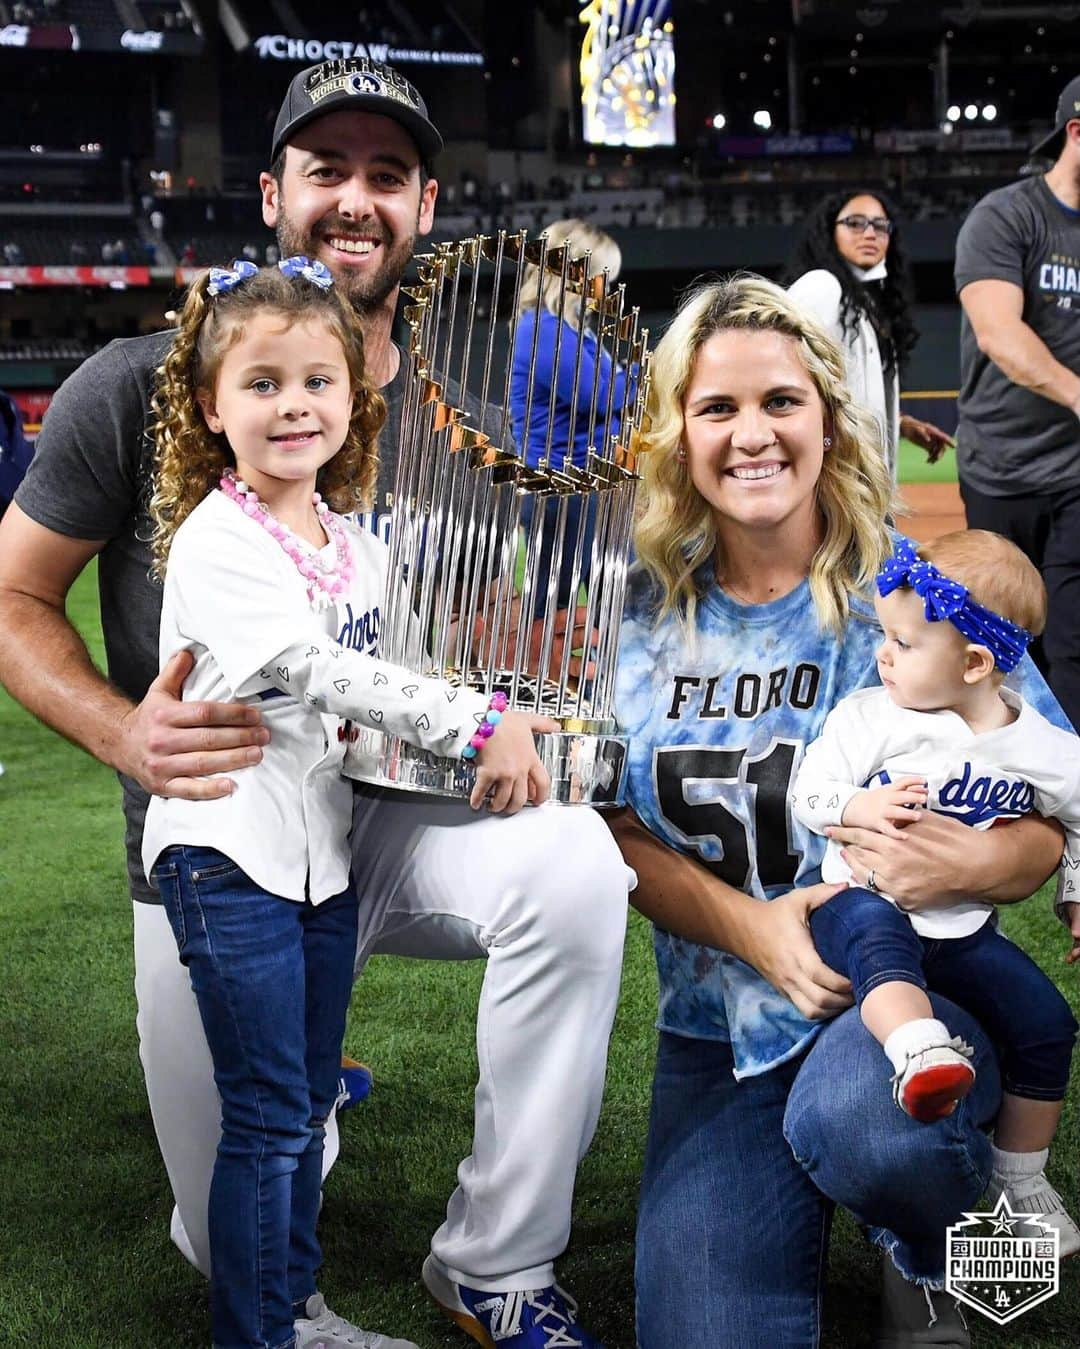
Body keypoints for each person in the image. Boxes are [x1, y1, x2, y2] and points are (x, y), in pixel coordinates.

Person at [0, 57, 629, 1349]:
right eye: (326, 169)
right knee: (220, 1207)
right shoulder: (140, 381)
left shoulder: (467, 406)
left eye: (384, 176)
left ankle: (496, 1261)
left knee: (574, 861)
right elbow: (14, 594)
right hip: (222, 836)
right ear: (274, 189)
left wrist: (530, 659)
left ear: (425, 201)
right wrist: (120, 731)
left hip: (386, 826)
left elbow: (470, 634)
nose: (356, 199)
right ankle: (295, 1134)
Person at [607, 274, 1070, 1348]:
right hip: (718, 1022)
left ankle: (931, 1249)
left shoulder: (915, 590)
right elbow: (612, 830)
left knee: (868, 1124)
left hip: (906, 994)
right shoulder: (632, 611)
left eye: (780, 400)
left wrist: (959, 867)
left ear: (827, 414)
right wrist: (754, 929)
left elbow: (1044, 813)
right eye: (717, 407)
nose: (752, 433)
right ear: (678, 430)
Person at [145, 257, 551, 1349]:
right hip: (227, 851)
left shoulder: (352, 543)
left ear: (351, 398)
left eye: (318, 380)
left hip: (318, 851)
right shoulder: (218, 540)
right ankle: (260, 1333)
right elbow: (319, 672)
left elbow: (394, 684)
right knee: (272, 1115)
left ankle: (300, 1312)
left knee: (304, 1104)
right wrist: (473, 722)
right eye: (263, 382)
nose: (294, 405)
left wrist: (507, 713)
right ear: (209, 404)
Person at [790, 529, 1080, 1253]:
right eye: (885, 635)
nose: (882, 654)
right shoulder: (869, 716)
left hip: (962, 929)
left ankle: (1022, 1177)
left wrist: (1075, 890)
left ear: (977, 662)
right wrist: (858, 809)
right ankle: (919, 1049)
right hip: (859, 906)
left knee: (1046, 1021)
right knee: (879, 937)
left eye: (905, 643)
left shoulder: (1038, 744)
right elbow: (809, 791)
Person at [954, 74, 1080, 735]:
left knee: (1072, 643)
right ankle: (1003, 775)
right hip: (1002, 467)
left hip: (1076, 472)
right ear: (1076, 133)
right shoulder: (1007, 217)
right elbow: (1001, 335)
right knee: (1004, 639)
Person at [787, 188, 954, 478]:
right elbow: (786, 383)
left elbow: (851, 394)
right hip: (833, 487)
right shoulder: (821, 286)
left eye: (880, 225)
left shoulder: (868, 303)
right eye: (855, 223)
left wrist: (899, 425)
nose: (869, 233)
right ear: (830, 232)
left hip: (865, 489)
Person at [509, 218, 629, 610]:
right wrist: (654, 370)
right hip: (562, 488)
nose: (605, 291)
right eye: (601, 278)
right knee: (555, 605)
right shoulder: (543, 330)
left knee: (600, 600)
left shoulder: (567, 330)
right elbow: (606, 394)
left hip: (580, 484)